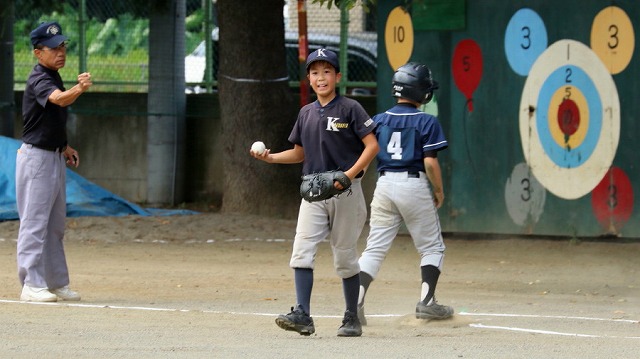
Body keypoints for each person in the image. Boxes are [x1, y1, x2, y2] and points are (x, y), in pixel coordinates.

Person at [250, 48, 378, 337]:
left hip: (345, 191)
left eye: (327, 71)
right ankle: (303, 314)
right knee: (302, 251)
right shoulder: (306, 113)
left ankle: (350, 316)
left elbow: (372, 146)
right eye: (315, 72)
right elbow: (299, 153)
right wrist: (270, 158)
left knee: (345, 256)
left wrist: (347, 175)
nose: (321, 77)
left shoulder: (350, 108)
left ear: (337, 76)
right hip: (313, 191)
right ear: (308, 77)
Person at [356, 62, 453, 325]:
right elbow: (430, 163)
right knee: (432, 247)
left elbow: (365, 155)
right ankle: (427, 302)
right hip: (414, 185)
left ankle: (355, 303)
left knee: (374, 248)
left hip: (385, 185)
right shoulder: (426, 121)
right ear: (420, 92)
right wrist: (439, 190)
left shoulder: (378, 120)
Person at [16, 21, 92, 302]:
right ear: (38, 53)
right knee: (35, 223)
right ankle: (30, 284)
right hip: (36, 159)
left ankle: (55, 282)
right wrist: (79, 89)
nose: (60, 52)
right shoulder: (40, 78)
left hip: (53, 155)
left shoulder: (52, 74)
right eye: (52, 47)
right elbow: (58, 100)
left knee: (55, 225)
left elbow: (44, 121)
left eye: (62, 46)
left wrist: (64, 145)